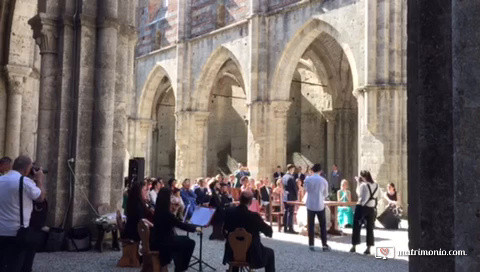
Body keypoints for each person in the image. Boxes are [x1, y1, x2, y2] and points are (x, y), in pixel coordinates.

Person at [0, 155, 46, 272]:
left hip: (1, 230)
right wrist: (40, 180)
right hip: (18, 233)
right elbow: (40, 198)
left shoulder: (1, 179)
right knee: (18, 266)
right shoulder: (25, 182)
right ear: (27, 169)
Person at [223, 191, 275, 272]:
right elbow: (268, 232)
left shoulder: (229, 212)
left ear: (239, 200)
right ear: (251, 202)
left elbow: (224, 231)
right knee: (270, 253)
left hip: (232, 253)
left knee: (235, 247)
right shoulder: (254, 216)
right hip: (251, 255)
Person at [151, 188, 197, 272]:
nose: (171, 199)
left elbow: (172, 222)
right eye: (170, 197)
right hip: (163, 242)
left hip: (158, 239)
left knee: (184, 240)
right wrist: (194, 228)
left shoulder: (158, 210)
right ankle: (181, 268)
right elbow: (180, 224)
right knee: (190, 243)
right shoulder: (166, 213)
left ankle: (179, 266)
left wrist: (174, 211)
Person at [350, 170, 379, 255]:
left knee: (356, 226)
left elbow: (359, 194)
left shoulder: (363, 185)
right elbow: (378, 196)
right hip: (371, 208)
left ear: (363, 177)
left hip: (362, 207)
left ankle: (354, 245)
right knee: (370, 227)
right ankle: (369, 247)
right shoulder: (376, 185)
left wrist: (358, 183)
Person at [304, 163, 330, 251]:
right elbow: (326, 194)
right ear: (320, 171)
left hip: (310, 204)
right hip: (320, 204)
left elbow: (306, 190)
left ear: (312, 170)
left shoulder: (307, 179)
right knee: (322, 225)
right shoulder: (323, 181)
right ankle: (324, 245)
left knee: (310, 225)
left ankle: (311, 244)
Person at [282, 164, 298, 234]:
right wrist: (296, 195)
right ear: (291, 169)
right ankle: (290, 228)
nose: (293, 171)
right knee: (290, 212)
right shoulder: (291, 177)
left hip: (285, 195)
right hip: (291, 196)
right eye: (293, 169)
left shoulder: (284, 176)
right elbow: (295, 188)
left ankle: (285, 227)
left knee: (286, 211)